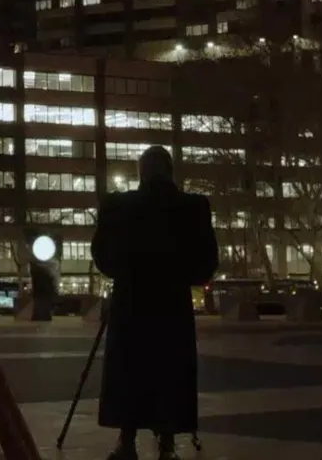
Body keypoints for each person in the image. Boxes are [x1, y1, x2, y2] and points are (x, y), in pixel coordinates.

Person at [91, 146, 219, 460]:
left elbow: (103, 257)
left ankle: (127, 441)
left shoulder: (118, 206)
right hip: (172, 305)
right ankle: (167, 445)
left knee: (129, 371)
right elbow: (206, 263)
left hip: (130, 303)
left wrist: (127, 269)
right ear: (170, 172)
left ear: (141, 173)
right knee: (170, 371)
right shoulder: (193, 207)